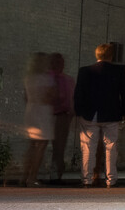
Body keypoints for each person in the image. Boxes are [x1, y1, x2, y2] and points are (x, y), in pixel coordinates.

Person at [74, 42, 125, 188]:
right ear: (111, 56)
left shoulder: (85, 71)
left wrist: (78, 111)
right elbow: (124, 93)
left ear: (97, 55)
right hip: (111, 114)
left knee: (87, 147)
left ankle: (86, 179)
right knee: (111, 147)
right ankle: (111, 180)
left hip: (89, 114)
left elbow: (79, 93)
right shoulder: (118, 71)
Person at [20, 52, 58, 185]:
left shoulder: (28, 78)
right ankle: (32, 177)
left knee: (31, 146)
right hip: (43, 112)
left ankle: (24, 176)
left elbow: (25, 97)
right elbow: (50, 96)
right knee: (41, 146)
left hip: (30, 110)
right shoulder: (46, 78)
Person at [47, 52, 77, 182]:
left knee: (59, 145)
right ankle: (55, 170)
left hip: (63, 116)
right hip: (50, 114)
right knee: (47, 145)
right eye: (57, 62)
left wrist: (71, 112)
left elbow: (72, 97)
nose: (60, 65)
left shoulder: (68, 80)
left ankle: (57, 171)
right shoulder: (49, 78)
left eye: (61, 62)